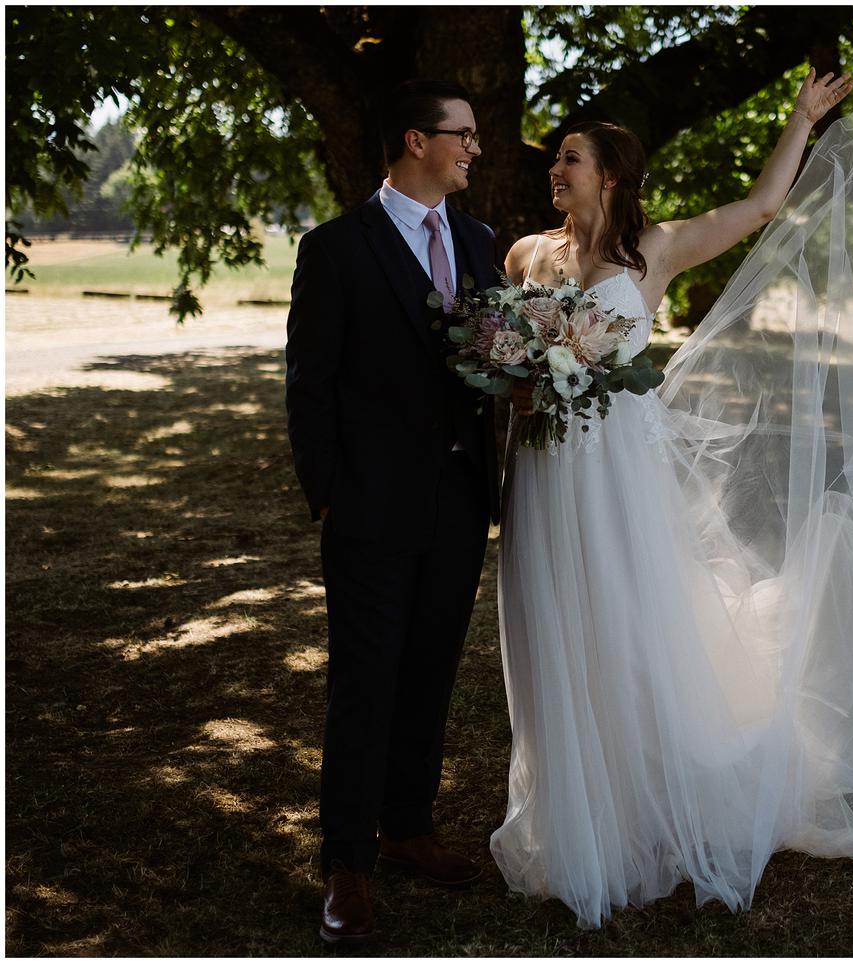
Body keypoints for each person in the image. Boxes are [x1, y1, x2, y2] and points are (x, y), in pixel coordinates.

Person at [493, 67, 853, 928]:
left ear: (609, 174)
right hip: (543, 469)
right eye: (555, 159)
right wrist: (514, 377)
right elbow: (507, 354)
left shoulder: (659, 247)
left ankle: (648, 801)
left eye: (570, 158)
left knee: (629, 622)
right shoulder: (527, 255)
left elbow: (760, 208)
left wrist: (799, 120)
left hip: (619, 474)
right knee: (551, 624)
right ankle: (575, 816)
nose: (554, 169)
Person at [284, 79, 502, 944]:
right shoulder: (336, 247)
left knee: (430, 673)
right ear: (417, 140)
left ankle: (409, 826)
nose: (476, 149)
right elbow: (311, 382)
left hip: (458, 505)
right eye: (465, 136)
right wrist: (330, 491)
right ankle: (347, 862)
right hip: (370, 507)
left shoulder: (482, 243)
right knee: (364, 685)